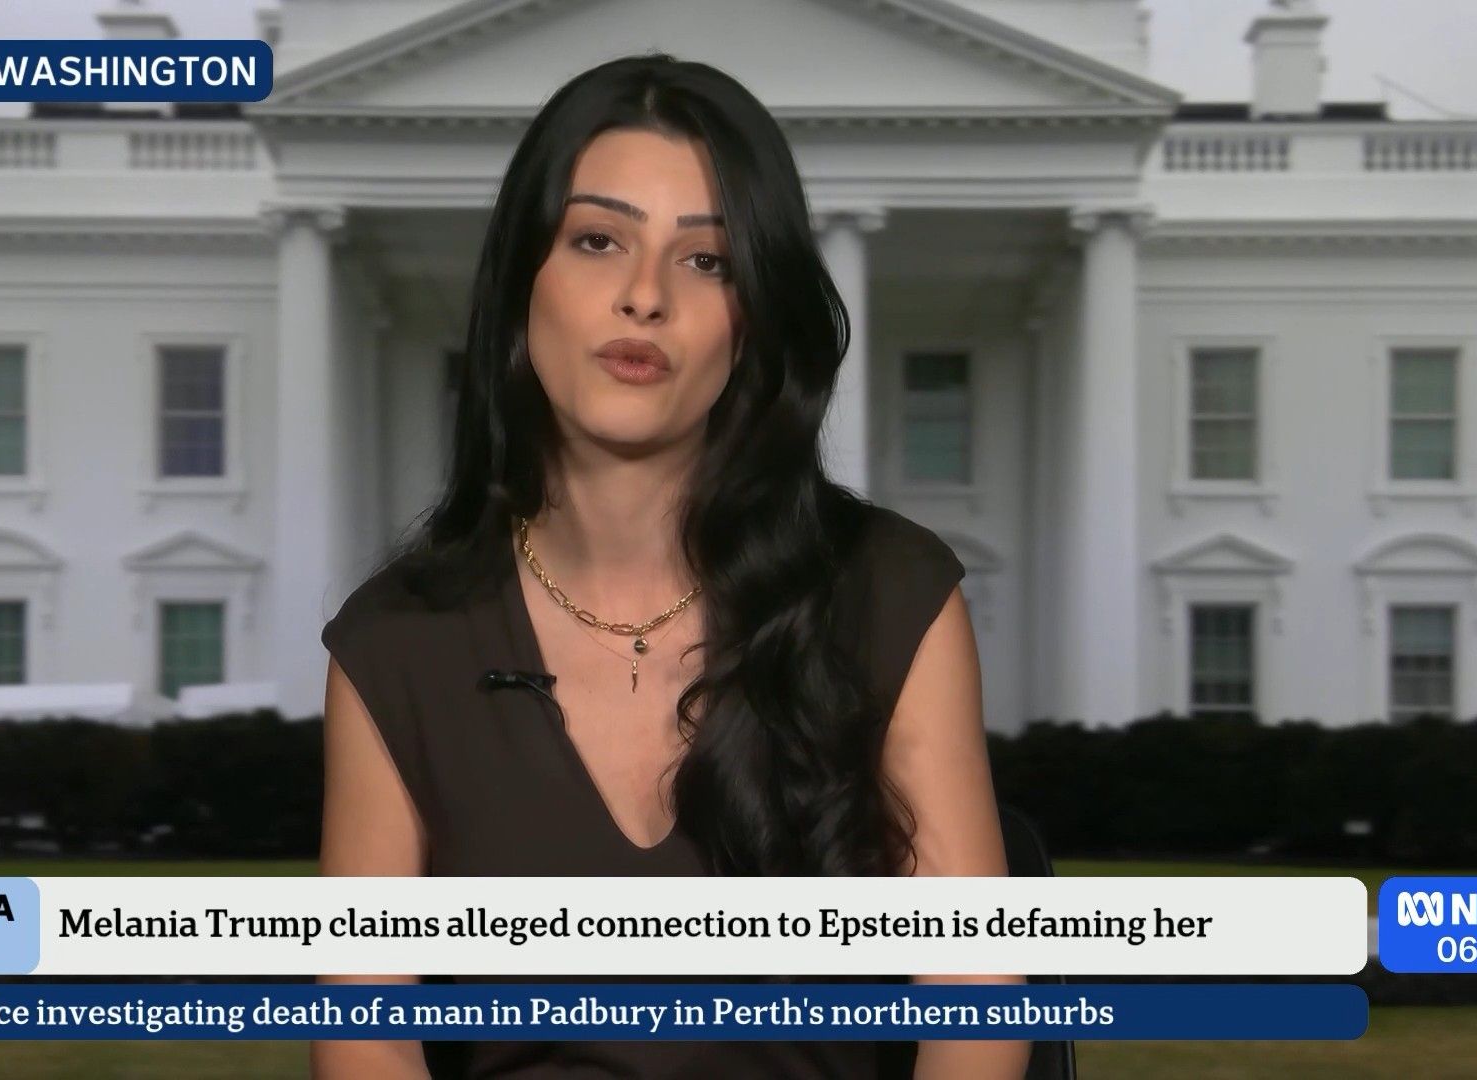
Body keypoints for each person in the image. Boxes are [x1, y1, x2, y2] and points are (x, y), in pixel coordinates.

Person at [314, 52, 1028, 1079]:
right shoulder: (395, 645)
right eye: (598, 241)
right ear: (522, 283)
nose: (644, 297)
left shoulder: (889, 596)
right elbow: (363, 1034)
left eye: (707, 261)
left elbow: (975, 1002)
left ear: (755, 320)